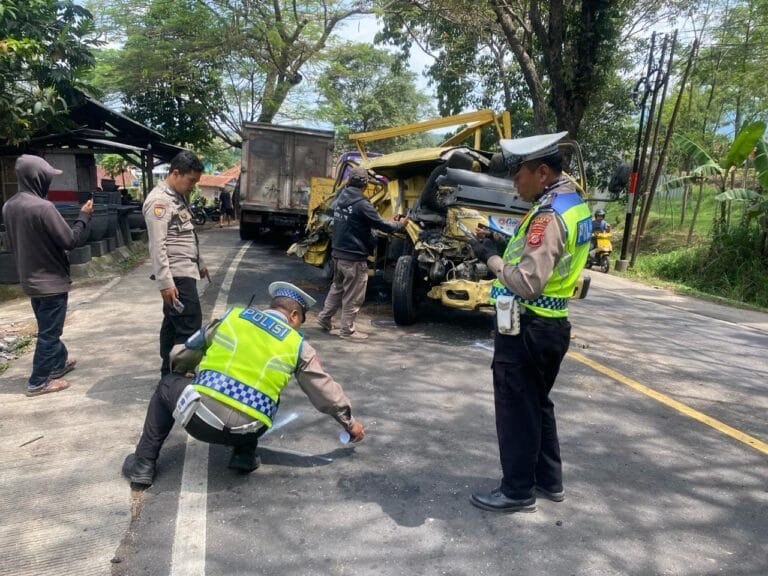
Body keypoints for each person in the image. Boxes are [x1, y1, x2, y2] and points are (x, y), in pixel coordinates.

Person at [125, 281, 366, 486]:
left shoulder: (232, 318)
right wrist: (349, 422)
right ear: (293, 315)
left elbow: (183, 354)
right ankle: (243, 455)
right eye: (301, 320)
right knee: (268, 392)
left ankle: (143, 464)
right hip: (250, 427)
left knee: (166, 385)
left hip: (200, 420)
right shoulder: (298, 345)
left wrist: (183, 373)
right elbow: (324, 390)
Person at [467, 132, 592, 513]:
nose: (513, 181)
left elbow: (528, 282)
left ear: (541, 172)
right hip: (551, 326)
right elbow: (548, 256)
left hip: (527, 325)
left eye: (517, 173)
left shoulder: (548, 215)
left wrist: (491, 258)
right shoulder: (572, 204)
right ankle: (548, 480)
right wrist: (504, 240)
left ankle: (517, 490)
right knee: (538, 405)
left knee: (517, 409)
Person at [1, 154, 94, 396]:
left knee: (47, 327)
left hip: (30, 280)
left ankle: (58, 363)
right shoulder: (43, 208)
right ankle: (38, 381)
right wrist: (83, 217)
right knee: (50, 333)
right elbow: (70, 240)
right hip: (51, 282)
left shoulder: (9, 206)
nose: (49, 182)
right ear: (37, 178)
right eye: (47, 177)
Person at [316, 166, 407, 340]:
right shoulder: (362, 204)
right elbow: (384, 226)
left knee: (337, 288)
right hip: (353, 257)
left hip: (337, 254)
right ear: (364, 184)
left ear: (350, 181)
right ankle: (347, 331)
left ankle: (324, 319)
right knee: (353, 295)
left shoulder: (340, 198)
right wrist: (400, 224)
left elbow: (358, 222)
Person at [143, 150, 209, 377]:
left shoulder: (178, 197)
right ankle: (178, 374)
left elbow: (186, 235)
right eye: (191, 181)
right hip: (176, 275)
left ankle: (168, 371)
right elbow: (157, 245)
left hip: (185, 270)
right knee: (189, 324)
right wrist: (165, 283)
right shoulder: (159, 201)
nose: (193, 186)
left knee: (173, 323)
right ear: (175, 173)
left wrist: (200, 262)